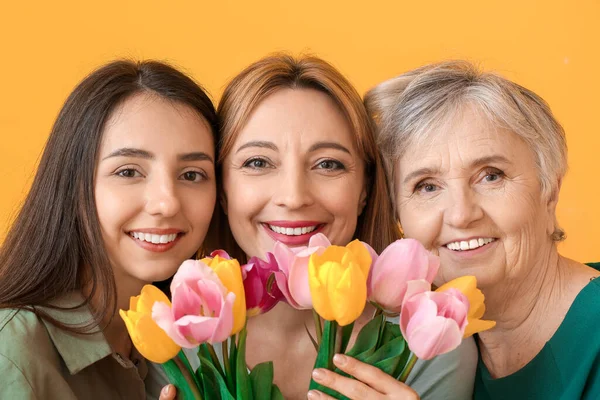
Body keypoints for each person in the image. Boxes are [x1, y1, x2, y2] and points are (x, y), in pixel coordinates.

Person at [157, 54, 477, 400]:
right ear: (222, 189)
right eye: (258, 162)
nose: (294, 197)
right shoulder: (173, 336)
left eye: (328, 164)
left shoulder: (430, 337)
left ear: (365, 189)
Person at [365, 60, 600, 399]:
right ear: (399, 217)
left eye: (491, 175)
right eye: (427, 186)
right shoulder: (430, 351)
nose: (461, 215)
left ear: (550, 191)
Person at [0, 59, 219, 399]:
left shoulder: (189, 350)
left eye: (192, 174)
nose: (167, 203)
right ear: (73, 184)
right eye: (129, 171)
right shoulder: (12, 354)